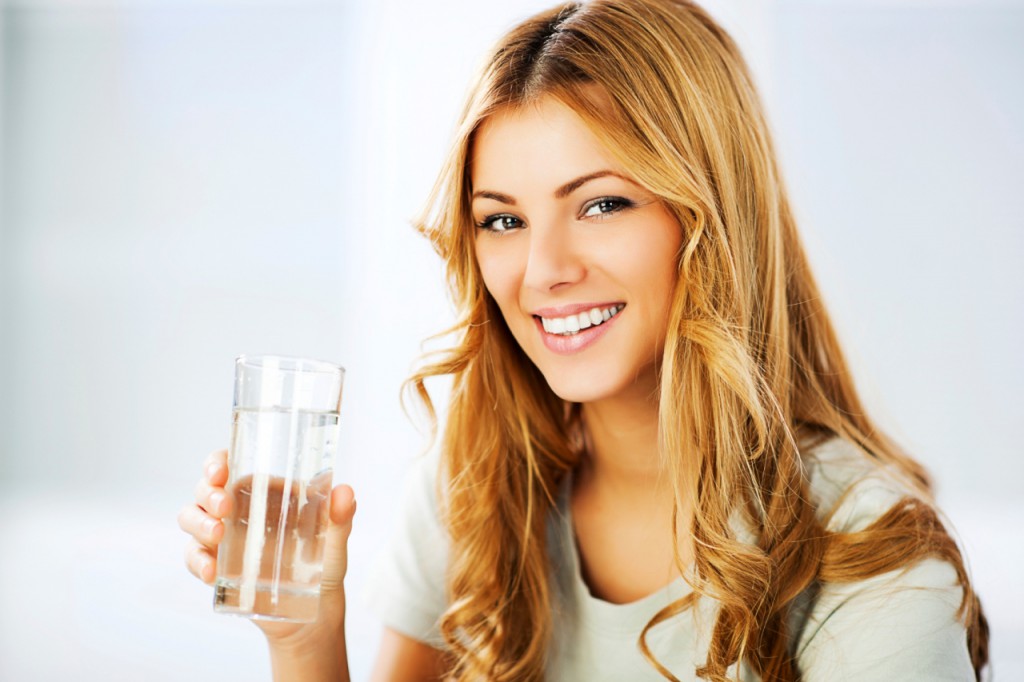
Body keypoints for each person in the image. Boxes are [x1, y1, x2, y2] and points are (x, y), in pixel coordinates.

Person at [179, 0, 990, 679]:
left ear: (712, 212)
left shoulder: (874, 562)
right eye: (503, 219)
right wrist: (306, 635)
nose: (543, 271)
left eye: (602, 204)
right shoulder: (480, 482)